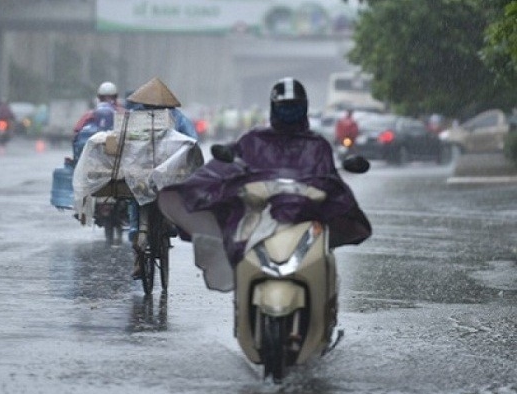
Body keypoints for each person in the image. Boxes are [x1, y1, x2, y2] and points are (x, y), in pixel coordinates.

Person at [161, 77, 371, 265]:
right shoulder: (254, 140)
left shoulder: (318, 145)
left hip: (307, 222)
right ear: (273, 107)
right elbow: (226, 167)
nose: (289, 114)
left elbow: (332, 184)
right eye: (284, 108)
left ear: (304, 108)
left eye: (294, 108)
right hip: (261, 219)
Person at [123, 77, 199, 279]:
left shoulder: (134, 116)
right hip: (166, 174)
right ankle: (170, 222)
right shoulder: (176, 116)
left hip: (139, 173)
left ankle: (137, 256)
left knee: (135, 206)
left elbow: (121, 141)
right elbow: (192, 139)